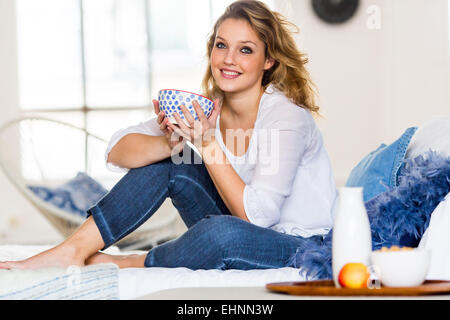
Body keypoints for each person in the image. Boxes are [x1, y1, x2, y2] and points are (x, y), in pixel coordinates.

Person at [0, 0, 337, 271]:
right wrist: (168, 143)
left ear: (269, 61)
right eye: (222, 45)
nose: (229, 59)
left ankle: (135, 261)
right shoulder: (204, 109)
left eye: (246, 50)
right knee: (171, 161)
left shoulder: (286, 118)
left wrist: (205, 144)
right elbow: (116, 151)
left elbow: (259, 218)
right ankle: (72, 250)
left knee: (221, 233)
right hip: (241, 224)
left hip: (305, 244)